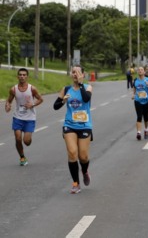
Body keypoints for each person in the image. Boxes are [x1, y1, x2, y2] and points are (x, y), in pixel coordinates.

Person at [53, 65, 93, 194]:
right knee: (72, 153)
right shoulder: (66, 89)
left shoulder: (88, 87)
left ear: (83, 74)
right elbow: (55, 106)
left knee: (83, 156)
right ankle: (75, 183)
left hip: (84, 125)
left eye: (77, 72)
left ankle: (85, 170)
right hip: (69, 125)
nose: (75, 74)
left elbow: (86, 98)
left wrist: (81, 84)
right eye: (73, 72)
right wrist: (63, 101)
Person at [5, 68, 44, 166]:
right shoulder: (13, 89)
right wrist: (7, 105)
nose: (22, 76)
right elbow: (9, 100)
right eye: (20, 75)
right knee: (18, 138)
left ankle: (28, 139)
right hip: (17, 117)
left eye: (24, 75)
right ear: (17, 76)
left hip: (30, 118)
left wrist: (32, 104)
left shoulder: (32, 88)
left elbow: (40, 99)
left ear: (27, 76)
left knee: (26, 141)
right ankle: (22, 157)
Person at [133, 67, 148, 140]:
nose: (140, 71)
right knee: (139, 116)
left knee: (146, 117)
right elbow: (134, 88)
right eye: (138, 70)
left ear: (144, 72)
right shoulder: (135, 80)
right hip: (138, 100)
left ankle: (146, 130)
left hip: (147, 100)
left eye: (141, 70)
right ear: (137, 72)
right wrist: (133, 94)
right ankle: (138, 133)